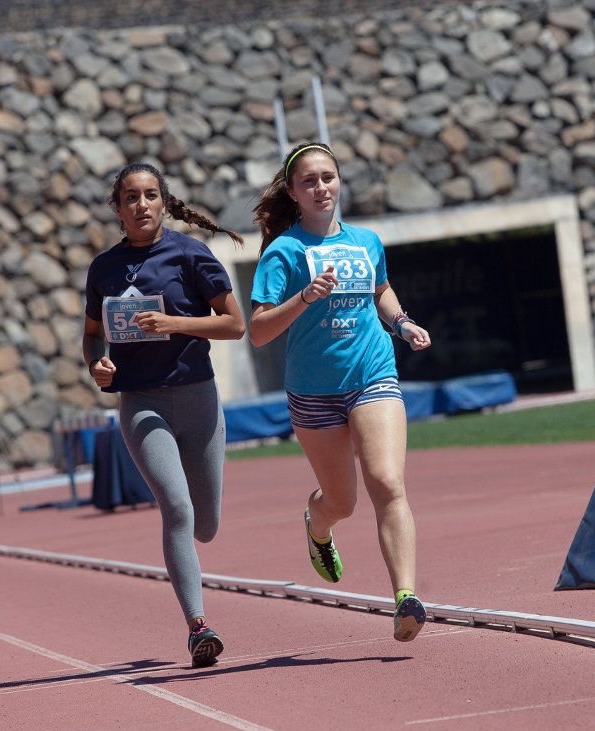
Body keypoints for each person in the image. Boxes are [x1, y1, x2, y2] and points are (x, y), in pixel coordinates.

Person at [249, 141, 434, 642]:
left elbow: (380, 289)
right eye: (309, 181)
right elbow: (260, 330)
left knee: (387, 482)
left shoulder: (367, 240)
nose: (321, 187)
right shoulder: (284, 252)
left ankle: (406, 597)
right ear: (294, 191)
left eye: (327, 177)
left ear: (339, 181)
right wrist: (305, 298)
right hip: (313, 391)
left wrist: (401, 322)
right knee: (343, 501)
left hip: (373, 373)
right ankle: (317, 525)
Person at [83, 163, 245, 668]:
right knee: (177, 509)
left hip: (197, 396)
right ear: (117, 207)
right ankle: (198, 626)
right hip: (140, 402)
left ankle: (197, 559)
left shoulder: (189, 253)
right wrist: (97, 363)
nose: (141, 205)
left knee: (206, 525)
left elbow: (235, 325)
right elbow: (92, 333)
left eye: (150, 195)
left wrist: (174, 323)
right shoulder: (103, 268)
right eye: (130, 197)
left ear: (163, 201)